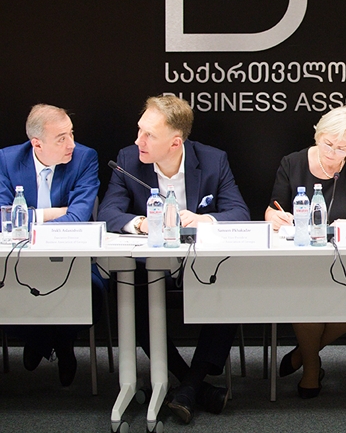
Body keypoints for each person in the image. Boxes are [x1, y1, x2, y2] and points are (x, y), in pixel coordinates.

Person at [98, 95, 250, 424]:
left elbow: (239, 212)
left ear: (175, 142)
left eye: (148, 135)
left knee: (230, 284)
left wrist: (202, 219)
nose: (138, 141)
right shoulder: (128, 159)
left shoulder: (212, 160)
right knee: (129, 290)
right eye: (139, 130)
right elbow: (108, 212)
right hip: (149, 268)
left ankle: (189, 385)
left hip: (200, 266)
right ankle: (192, 385)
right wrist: (142, 223)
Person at [265, 105, 346, 399]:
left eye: (342, 148)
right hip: (301, 261)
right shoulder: (293, 163)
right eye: (328, 144)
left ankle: (302, 354)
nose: (333, 153)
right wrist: (277, 218)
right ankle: (311, 368)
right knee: (306, 296)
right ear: (317, 135)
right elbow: (271, 212)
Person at [0, 104, 102, 387]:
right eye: (61, 138)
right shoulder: (7, 160)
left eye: (71, 134)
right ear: (37, 144)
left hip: (71, 260)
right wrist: (50, 214)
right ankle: (42, 340)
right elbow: (3, 218)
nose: (71, 144)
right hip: (19, 261)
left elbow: (78, 217)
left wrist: (27, 219)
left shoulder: (84, 158)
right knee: (8, 289)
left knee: (92, 292)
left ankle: (60, 342)